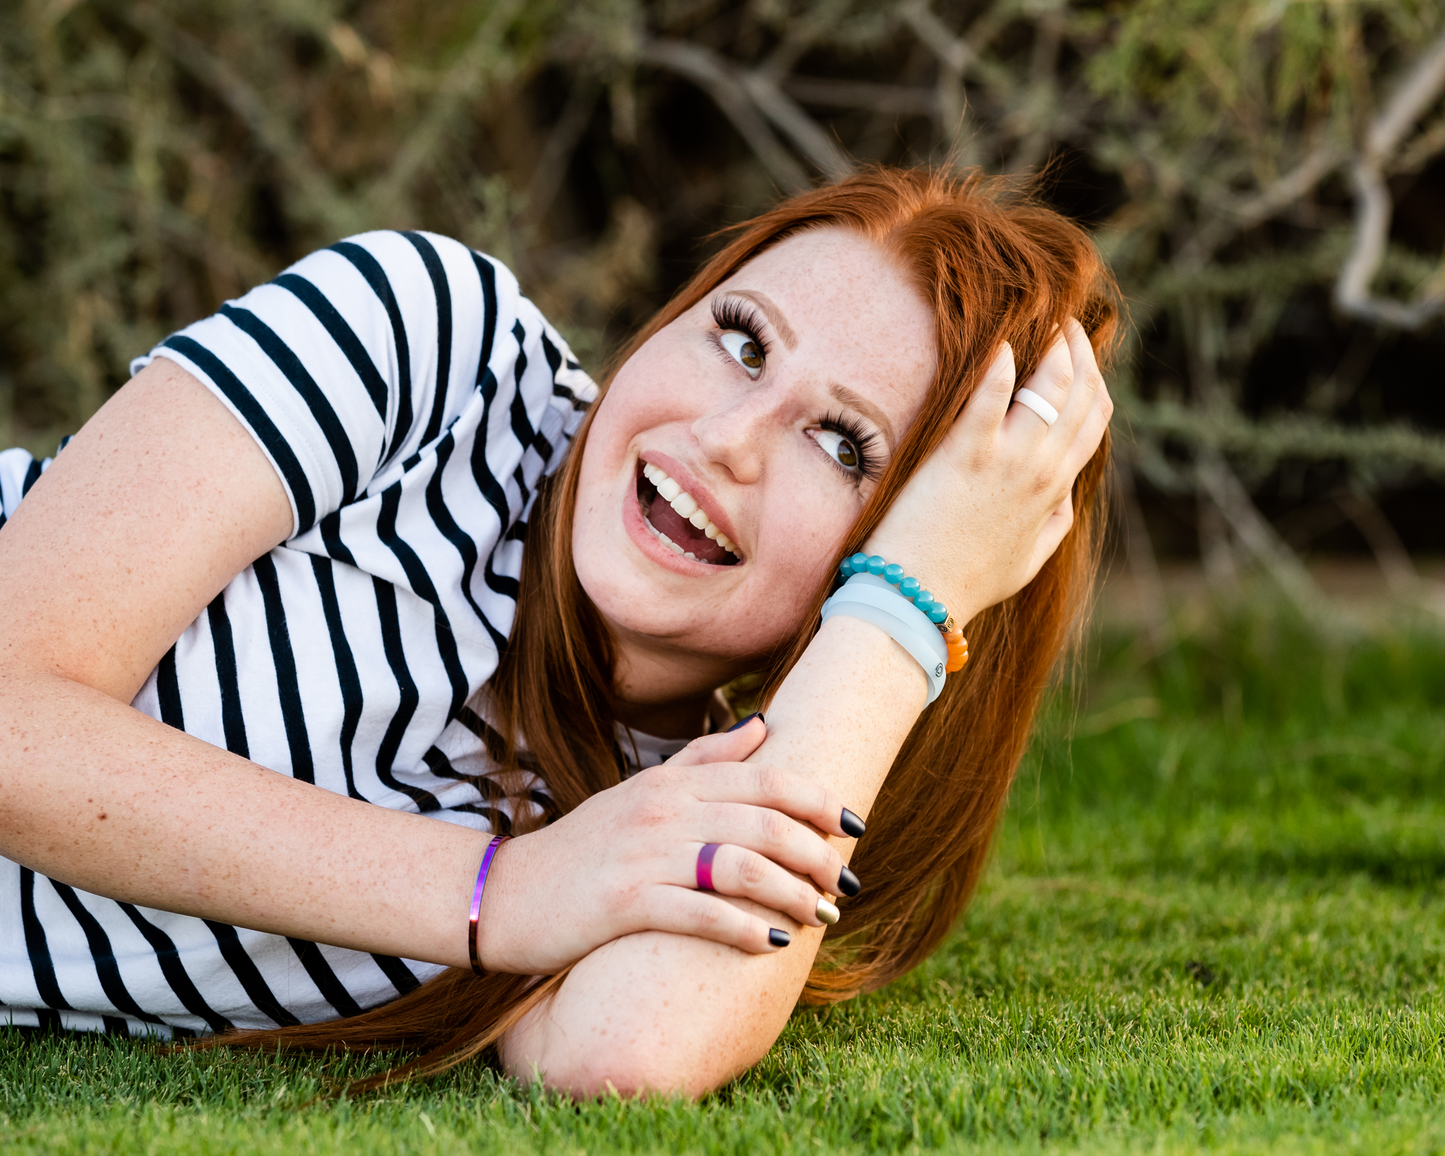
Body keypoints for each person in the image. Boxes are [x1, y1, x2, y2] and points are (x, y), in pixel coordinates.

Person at [0, 166, 1114, 1098]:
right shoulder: (430, 346)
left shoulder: (715, 795)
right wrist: (506, 892)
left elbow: (622, 1049)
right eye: (739, 340)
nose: (727, 436)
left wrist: (902, 609)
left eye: (841, 445)